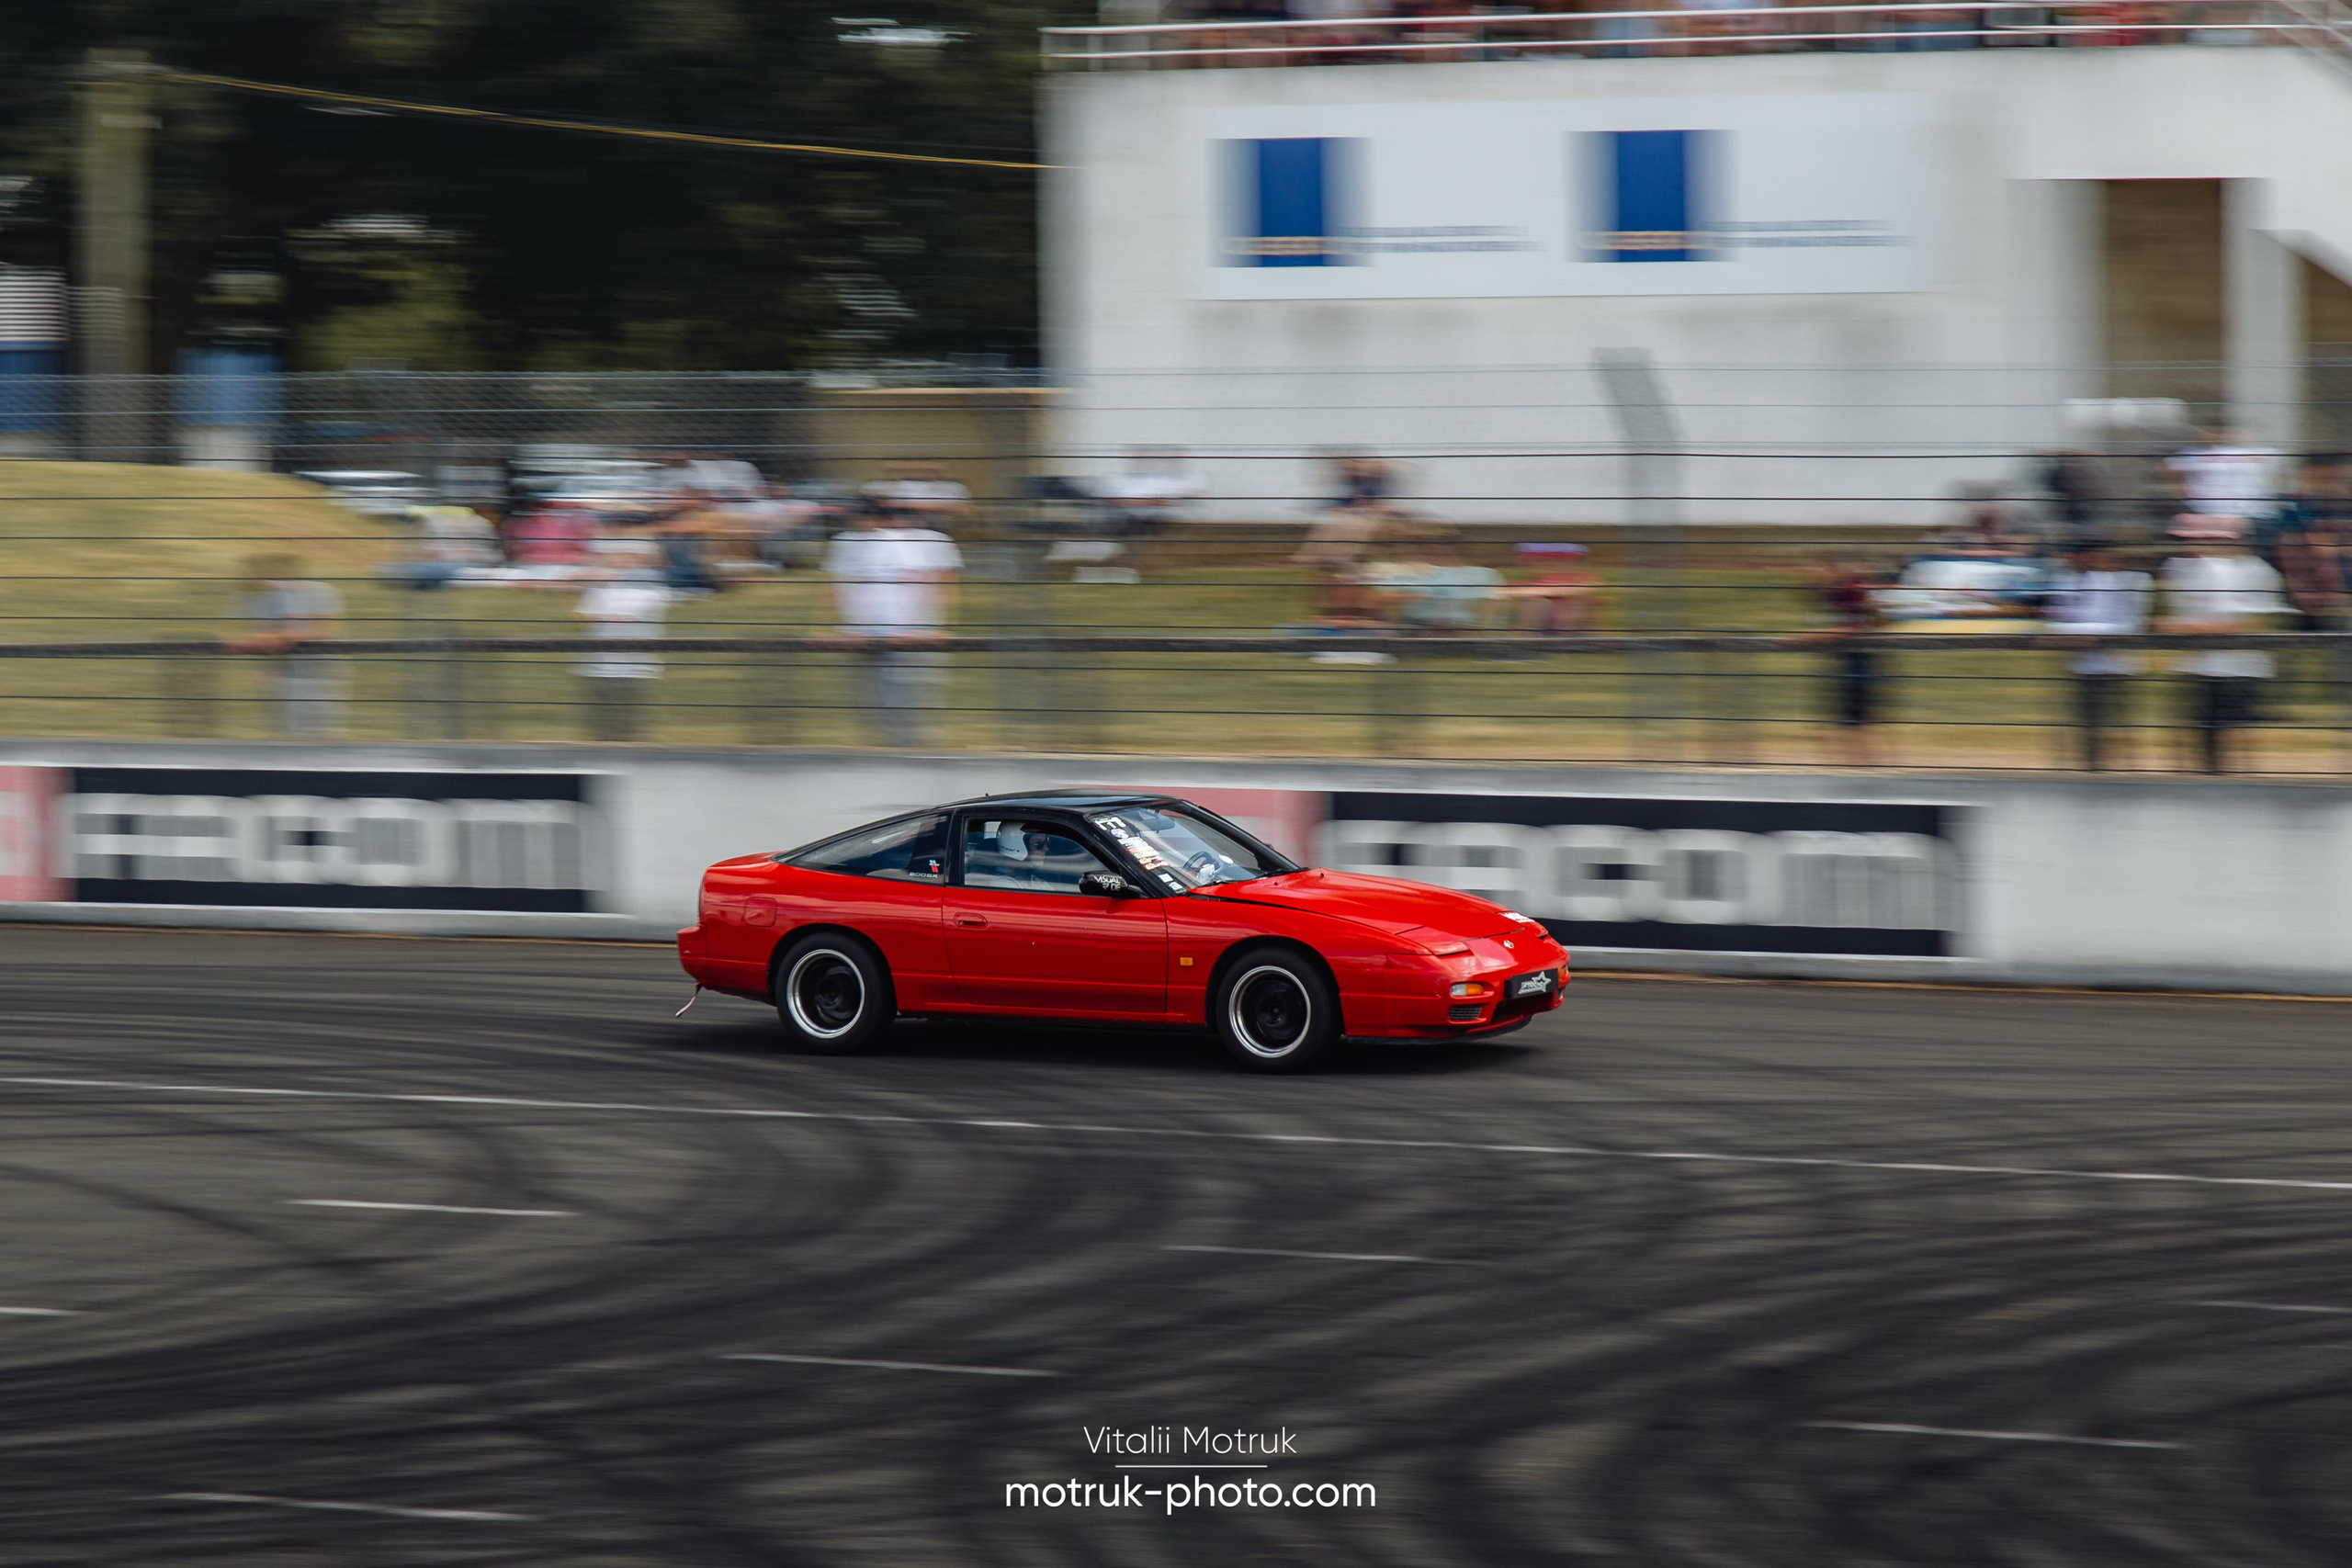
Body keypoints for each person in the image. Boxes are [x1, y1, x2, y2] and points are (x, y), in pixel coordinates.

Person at [824, 499, 963, 747]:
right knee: (875, 695)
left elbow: (943, 585)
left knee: (915, 693)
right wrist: (848, 628)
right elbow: (839, 587)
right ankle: (885, 744)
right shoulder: (848, 543)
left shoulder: (928, 542)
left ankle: (917, 744)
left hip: (913, 633)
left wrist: (932, 627)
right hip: (867, 633)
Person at [2160, 517, 2290, 773]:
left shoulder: (2257, 571)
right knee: (2204, 729)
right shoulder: (2190, 568)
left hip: (2240, 666)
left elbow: (2238, 624)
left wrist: (2176, 626)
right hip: (2202, 664)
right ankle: (2210, 776)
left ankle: (2230, 778)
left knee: (2229, 732)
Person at [2044, 539, 2152, 771]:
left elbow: (2131, 624)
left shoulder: (2132, 581)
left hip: (2118, 664)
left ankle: (2120, 766)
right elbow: (2057, 619)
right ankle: (2092, 766)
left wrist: (2083, 634)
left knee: (2116, 721)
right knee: (2087, 721)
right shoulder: (2068, 582)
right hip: (2083, 665)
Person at [226, 554, 346, 738]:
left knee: (320, 734)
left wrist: (279, 637)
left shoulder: (321, 592)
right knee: (285, 734)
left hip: (319, 676)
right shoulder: (261, 599)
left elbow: (325, 629)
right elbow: (242, 636)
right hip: (281, 677)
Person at [574, 541, 673, 742]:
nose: (620, 561)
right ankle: (603, 735)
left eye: (630, 557)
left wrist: (603, 614)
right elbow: (584, 614)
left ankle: (628, 735)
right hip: (600, 658)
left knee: (629, 698)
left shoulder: (651, 592)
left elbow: (626, 616)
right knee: (601, 698)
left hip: (633, 658)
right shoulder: (601, 589)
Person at [1808, 558, 1890, 765]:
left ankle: (1862, 766)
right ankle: (1855, 765)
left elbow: (1857, 627)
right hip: (1845, 663)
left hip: (1857, 664)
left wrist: (1814, 636)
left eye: (1817, 570)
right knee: (1846, 722)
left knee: (1854, 723)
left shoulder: (1849, 591)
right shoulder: (1834, 594)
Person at [2165, 425, 2285, 545]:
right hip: (2210, 518)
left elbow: (2282, 476)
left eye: (2226, 431)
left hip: (2255, 517)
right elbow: (2168, 469)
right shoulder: (2196, 455)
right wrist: (2186, 498)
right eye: (2217, 431)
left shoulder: (2264, 452)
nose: (2223, 435)